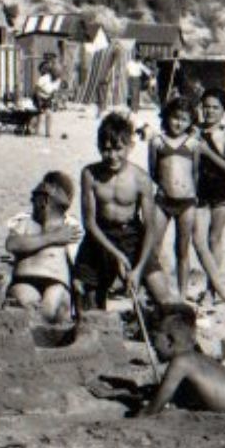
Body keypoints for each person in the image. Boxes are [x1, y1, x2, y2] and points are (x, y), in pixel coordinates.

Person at [73, 112, 171, 311]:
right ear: (99, 148)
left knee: (163, 297)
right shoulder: (90, 174)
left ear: (130, 146)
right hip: (100, 237)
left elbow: (150, 228)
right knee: (83, 295)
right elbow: (90, 224)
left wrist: (138, 269)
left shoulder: (140, 178)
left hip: (132, 236)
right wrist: (117, 256)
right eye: (106, 150)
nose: (112, 156)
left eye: (118, 149)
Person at [148, 98, 225, 301]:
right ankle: (156, 291)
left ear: (190, 121)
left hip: (187, 203)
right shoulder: (157, 141)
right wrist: (166, 188)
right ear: (166, 117)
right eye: (175, 118)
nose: (178, 123)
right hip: (162, 200)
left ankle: (182, 294)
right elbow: (153, 171)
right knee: (154, 247)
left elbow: (194, 173)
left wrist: (187, 193)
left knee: (182, 249)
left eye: (184, 120)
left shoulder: (193, 143)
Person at [141, 305, 225, 417]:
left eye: (153, 339)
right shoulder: (200, 360)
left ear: (169, 340)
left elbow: (152, 411)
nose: (152, 346)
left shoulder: (181, 362)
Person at [4, 171, 82, 323]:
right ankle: (37, 324)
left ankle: (47, 322)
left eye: (36, 199)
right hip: (24, 281)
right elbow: (12, 244)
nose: (33, 202)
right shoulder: (25, 223)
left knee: (53, 302)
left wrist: (79, 303)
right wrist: (53, 237)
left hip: (56, 284)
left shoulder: (70, 227)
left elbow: (76, 264)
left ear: (45, 201)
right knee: (24, 301)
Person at [193, 88, 225, 273]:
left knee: (214, 239)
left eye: (215, 107)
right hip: (198, 190)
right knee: (197, 240)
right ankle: (212, 280)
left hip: (221, 190)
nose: (210, 111)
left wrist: (208, 152)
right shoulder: (194, 130)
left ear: (224, 110)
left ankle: (212, 287)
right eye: (206, 107)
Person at [33, 56, 62, 138]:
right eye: (56, 72)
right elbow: (36, 89)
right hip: (38, 97)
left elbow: (54, 92)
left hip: (47, 97)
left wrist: (54, 101)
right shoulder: (44, 78)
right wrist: (39, 102)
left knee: (48, 114)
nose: (57, 74)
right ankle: (36, 130)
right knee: (39, 114)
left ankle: (47, 133)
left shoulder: (57, 81)